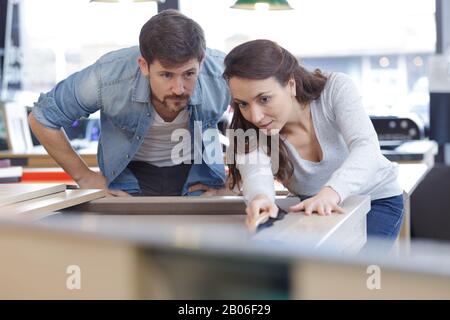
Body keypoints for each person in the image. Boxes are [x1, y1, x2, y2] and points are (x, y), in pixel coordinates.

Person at [28, 10, 230, 197]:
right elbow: (42, 118)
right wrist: (85, 177)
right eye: (166, 75)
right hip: (128, 184)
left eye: (188, 74)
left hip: (198, 180)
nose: (178, 88)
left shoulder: (222, 74)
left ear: (201, 62)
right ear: (144, 65)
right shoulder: (109, 75)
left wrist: (239, 181)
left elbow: (259, 119)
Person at [223, 39, 404, 243]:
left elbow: (367, 147)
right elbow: (256, 172)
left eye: (264, 99)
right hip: (315, 210)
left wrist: (330, 193)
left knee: (353, 273)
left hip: (376, 201)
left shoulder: (335, 88)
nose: (255, 116)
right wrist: (260, 198)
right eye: (243, 104)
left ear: (290, 84)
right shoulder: (250, 129)